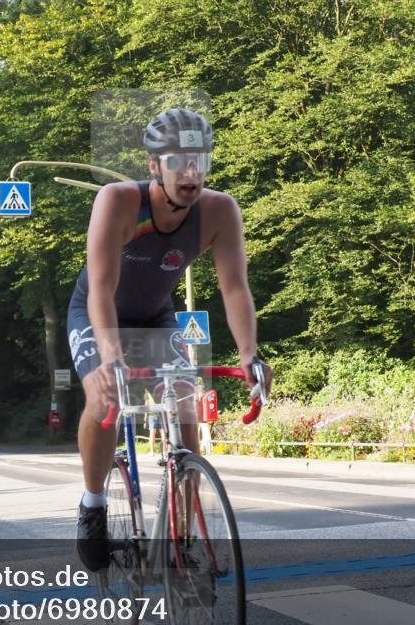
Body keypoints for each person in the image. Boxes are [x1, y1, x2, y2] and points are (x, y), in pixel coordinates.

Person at [67, 108, 273, 571]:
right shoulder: (117, 201)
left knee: (184, 410)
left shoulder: (219, 210)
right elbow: (100, 288)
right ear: (153, 165)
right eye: (179, 161)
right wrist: (110, 358)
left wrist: (249, 355)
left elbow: (234, 286)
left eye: (200, 160)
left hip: (157, 319)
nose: (192, 172)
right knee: (104, 402)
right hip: (97, 314)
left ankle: (181, 535)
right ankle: (93, 504)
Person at [144, 388, 167, 454]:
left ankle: (152, 451)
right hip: (161, 414)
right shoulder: (161, 388)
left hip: (152, 414)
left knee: (152, 433)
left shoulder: (147, 390)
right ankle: (165, 450)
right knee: (163, 433)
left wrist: (145, 417)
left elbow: (146, 404)